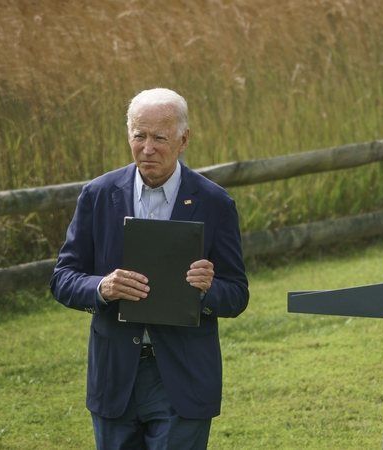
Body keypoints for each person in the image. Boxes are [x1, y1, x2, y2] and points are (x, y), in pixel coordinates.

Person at [50, 88, 249, 449]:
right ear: (128, 134)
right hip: (114, 377)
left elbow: (236, 293)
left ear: (183, 139)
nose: (147, 148)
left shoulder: (215, 203)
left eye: (160, 138)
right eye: (139, 136)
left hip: (183, 378)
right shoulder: (97, 195)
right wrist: (102, 287)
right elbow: (63, 278)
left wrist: (208, 288)